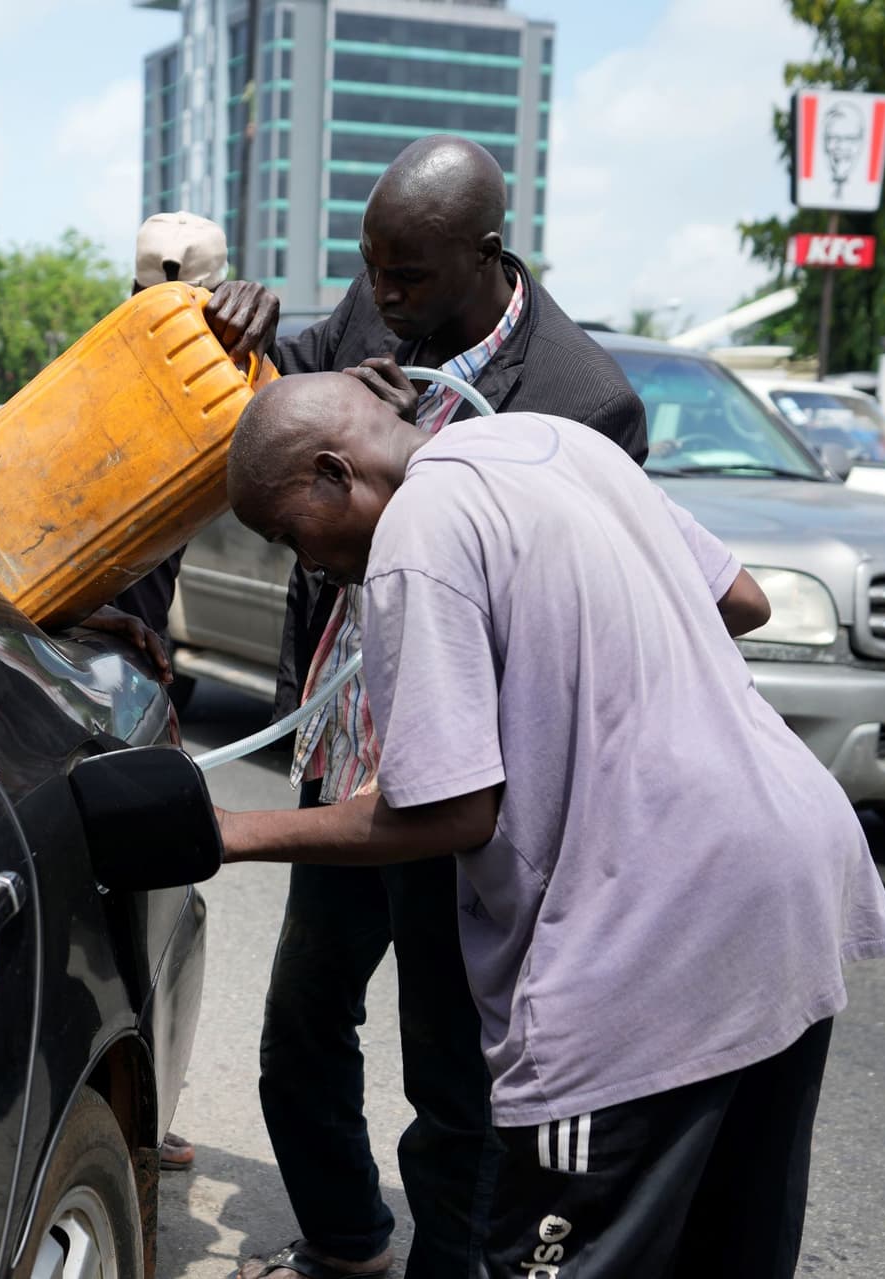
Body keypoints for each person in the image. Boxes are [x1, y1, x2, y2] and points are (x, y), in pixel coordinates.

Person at [217, 373, 885, 1278]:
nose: (304, 563)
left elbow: (450, 811)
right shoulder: (550, 440)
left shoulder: (414, 539)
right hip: (788, 886)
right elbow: (742, 599)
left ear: (334, 474)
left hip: (652, 936)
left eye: (288, 533)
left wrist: (230, 832)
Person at [205, 136, 647, 1279]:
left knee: (454, 1075)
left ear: (485, 253)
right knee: (301, 1029)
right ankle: (347, 1238)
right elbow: (255, 413)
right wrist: (229, 329)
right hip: (349, 760)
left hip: (469, 787)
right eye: (370, 271)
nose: (384, 299)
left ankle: (453, 1265)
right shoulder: (368, 312)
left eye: (406, 277)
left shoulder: (581, 403)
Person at [87, 210, 233, 1173]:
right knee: (127, 895)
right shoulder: (101, 384)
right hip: (92, 674)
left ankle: (137, 1101)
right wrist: (101, 626)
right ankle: (115, 1110)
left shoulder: (200, 383)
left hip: (127, 669)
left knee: (150, 902)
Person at [82, 211, 233, 689]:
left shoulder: (84, 370)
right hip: (122, 645)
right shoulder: (224, 392)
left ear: (131, 291)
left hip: (68, 637)